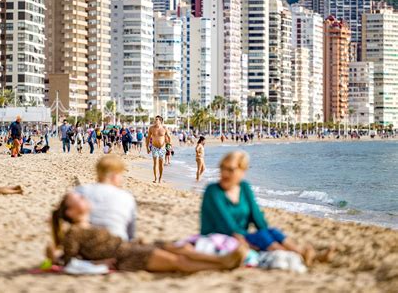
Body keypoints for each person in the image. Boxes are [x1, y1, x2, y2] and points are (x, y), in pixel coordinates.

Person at [51, 192, 247, 272]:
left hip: (131, 246)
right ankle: (221, 265)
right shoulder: (73, 234)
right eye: (77, 198)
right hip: (125, 257)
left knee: (178, 247)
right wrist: (98, 262)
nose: (83, 197)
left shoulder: (90, 224)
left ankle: (221, 260)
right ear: (70, 211)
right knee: (176, 262)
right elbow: (68, 261)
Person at [200, 152, 334, 266]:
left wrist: (267, 231)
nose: (224, 173)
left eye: (230, 169)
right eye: (222, 168)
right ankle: (302, 256)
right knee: (262, 236)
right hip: (218, 236)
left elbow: (257, 216)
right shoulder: (213, 191)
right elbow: (226, 223)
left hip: (239, 234)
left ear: (242, 172)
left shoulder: (244, 188)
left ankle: (303, 254)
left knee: (272, 232)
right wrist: (249, 240)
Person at [146, 116, 170, 183]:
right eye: (155, 119)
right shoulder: (151, 128)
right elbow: (148, 138)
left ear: (160, 121)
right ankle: (155, 178)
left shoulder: (164, 128)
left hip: (162, 148)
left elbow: (169, 137)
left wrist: (169, 147)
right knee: (155, 163)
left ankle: (160, 178)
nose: (155, 120)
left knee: (161, 164)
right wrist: (147, 147)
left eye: (157, 119)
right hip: (154, 147)